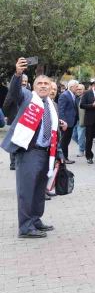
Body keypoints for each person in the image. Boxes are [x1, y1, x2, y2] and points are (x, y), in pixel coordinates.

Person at [2, 58, 65, 238]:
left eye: (47, 84)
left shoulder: (53, 106)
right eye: (40, 83)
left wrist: (58, 152)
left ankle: (36, 220)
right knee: (26, 191)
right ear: (34, 86)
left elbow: (54, 132)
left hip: (46, 154)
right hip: (28, 152)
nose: (44, 86)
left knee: (39, 190)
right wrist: (18, 74)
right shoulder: (27, 98)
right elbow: (13, 93)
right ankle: (25, 227)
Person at [57, 79, 80, 164]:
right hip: (66, 123)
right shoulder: (65, 95)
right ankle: (64, 158)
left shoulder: (72, 95)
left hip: (71, 122)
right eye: (76, 86)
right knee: (64, 142)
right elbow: (61, 110)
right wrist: (63, 123)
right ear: (71, 87)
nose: (78, 88)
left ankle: (65, 158)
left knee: (66, 141)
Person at [72, 83, 86, 157]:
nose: (78, 90)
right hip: (74, 120)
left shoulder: (85, 98)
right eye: (77, 89)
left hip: (81, 120)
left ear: (83, 90)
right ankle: (85, 146)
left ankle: (81, 150)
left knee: (81, 136)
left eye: (80, 89)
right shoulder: (74, 97)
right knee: (73, 136)